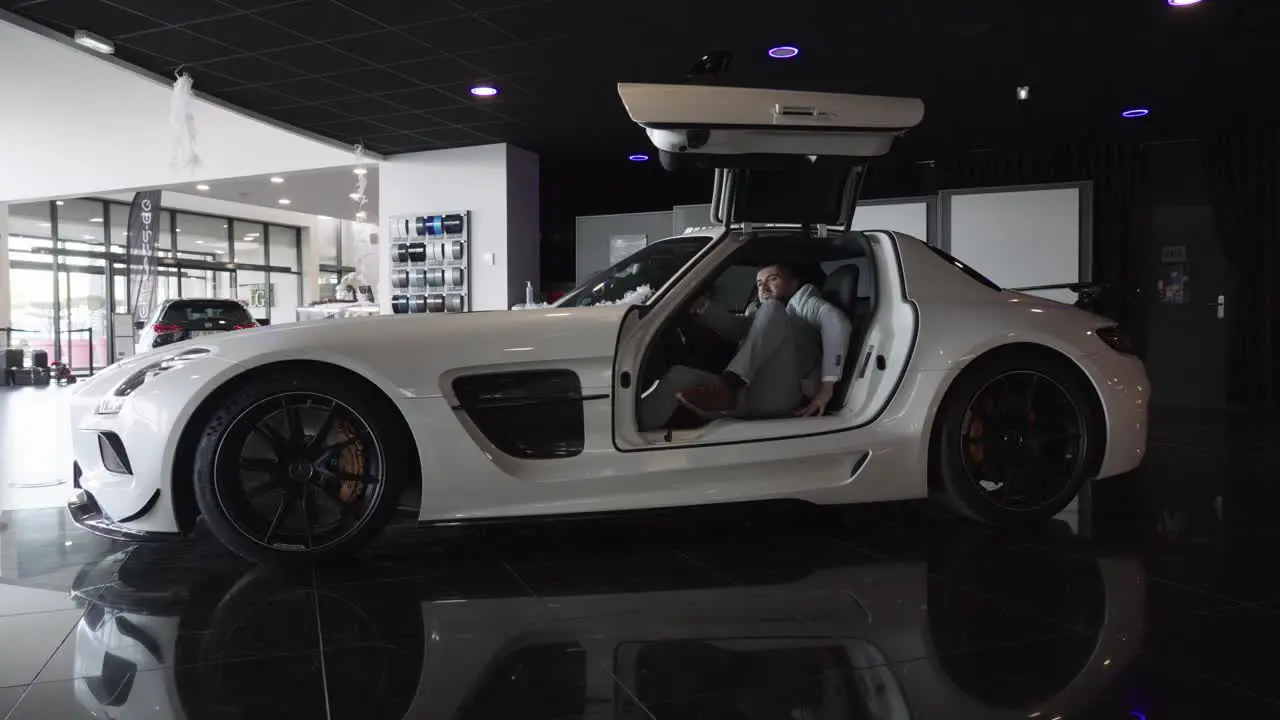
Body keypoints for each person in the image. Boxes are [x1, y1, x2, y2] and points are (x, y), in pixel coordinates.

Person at [638, 262, 853, 431]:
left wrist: (826, 388)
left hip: (781, 395)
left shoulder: (803, 299)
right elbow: (736, 328)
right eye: (759, 283)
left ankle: (731, 383)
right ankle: (633, 426)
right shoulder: (758, 311)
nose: (764, 287)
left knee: (772, 309)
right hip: (747, 394)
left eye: (773, 279)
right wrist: (699, 306)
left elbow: (837, 323)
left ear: (793, 284)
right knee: (678, 377)